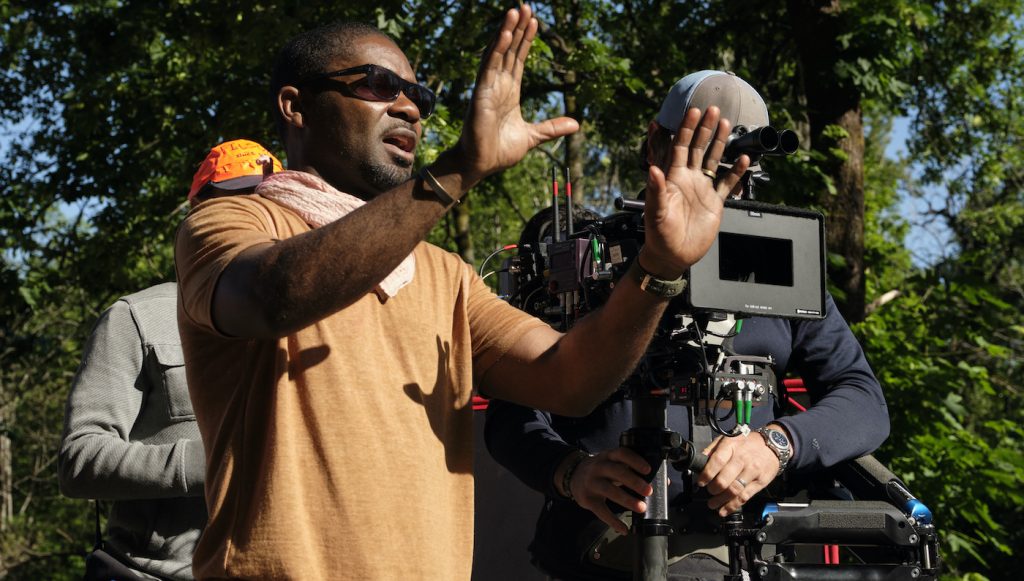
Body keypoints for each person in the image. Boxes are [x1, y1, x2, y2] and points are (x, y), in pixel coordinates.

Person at [173, 5, 754, 580]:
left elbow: (570, 380)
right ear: (295, 106)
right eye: (378, 85)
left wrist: (658, 266)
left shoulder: (442, 274)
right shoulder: (234, 223)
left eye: (418, 97)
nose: (408, 106)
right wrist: (455, 173)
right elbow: (273, 297)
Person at [484, 71, 891, 580]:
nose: (723, 178)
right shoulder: (579, 264)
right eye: (703, 152)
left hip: (740, 555)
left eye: (740, 166)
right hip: (595, 553)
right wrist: (571, 471)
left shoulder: (781, 267)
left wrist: (776, 444)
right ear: (655, 143)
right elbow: (508, 415)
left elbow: (863, 400)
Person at [58, 139, 282, 581]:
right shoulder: (137, 317)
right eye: (234, 203)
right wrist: (204, 462)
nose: (252, 217)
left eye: (267, 203)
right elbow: (78, 461)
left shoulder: (318, 321)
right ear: (199, 214)